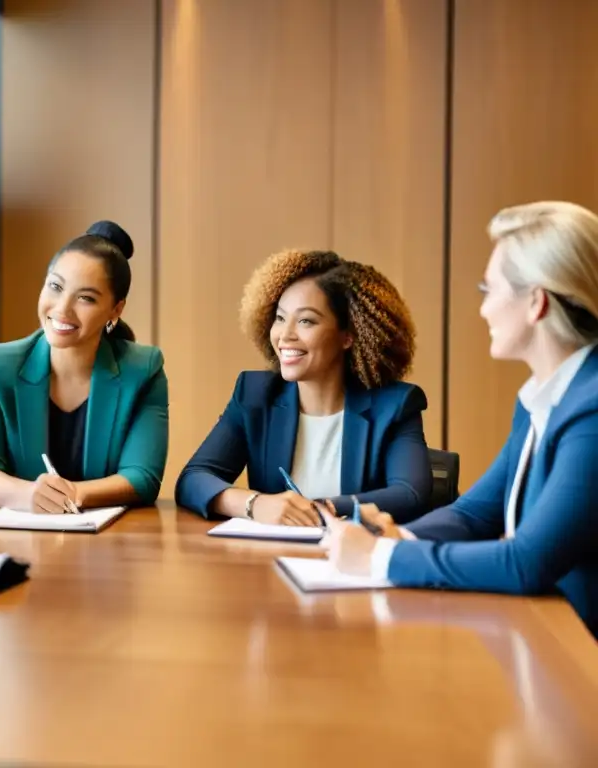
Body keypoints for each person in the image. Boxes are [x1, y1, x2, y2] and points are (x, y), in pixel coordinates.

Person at [323, 201, 598, 639]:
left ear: (537, 303)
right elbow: (475, 514)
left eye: (489, 291)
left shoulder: (591, 410)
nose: (483, 309)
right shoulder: (543, 399)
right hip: (550, 638)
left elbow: (525, 562)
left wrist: (379, 558)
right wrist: (396, 536)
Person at [176, 249, 432, 524]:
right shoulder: (255, 394)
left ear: (348, 335)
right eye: (280, 318)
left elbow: (411, 494)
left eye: (306, 321)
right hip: (270, 561)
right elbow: (193, 479)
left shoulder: (394, 405)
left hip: (352, 560)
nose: (285, 336)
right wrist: (256, 504)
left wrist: (318, 509)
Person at [0, 221, 168, 513]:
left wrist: (70, 493)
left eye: (86, 298)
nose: (62, 309)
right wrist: (27, 494)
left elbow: (142, 476)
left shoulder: (143, 370)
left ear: (115, 310)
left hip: (111, 544)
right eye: (55, 286)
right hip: (18, 540)